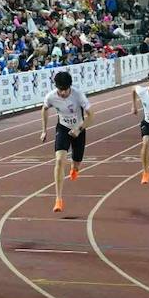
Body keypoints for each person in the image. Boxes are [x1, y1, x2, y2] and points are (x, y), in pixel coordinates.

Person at [41, 70, 93, 213]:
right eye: (60, 90)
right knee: (59, 160)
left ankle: (74, 168)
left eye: (65, 90)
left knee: (76, 163)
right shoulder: (51, 96)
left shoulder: (78, 95)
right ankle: (58, 199)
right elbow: (44, 109)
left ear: (70, 86)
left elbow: (91, 115)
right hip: (63, 128)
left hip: (79, 129)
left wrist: (79, 128)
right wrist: (44, 130)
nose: (63, 93)